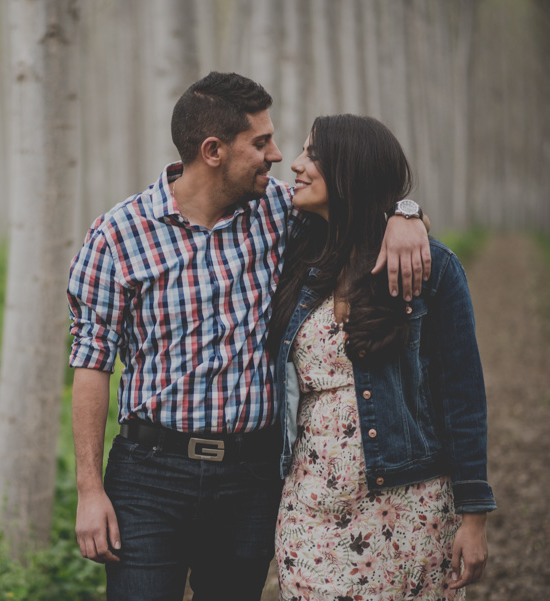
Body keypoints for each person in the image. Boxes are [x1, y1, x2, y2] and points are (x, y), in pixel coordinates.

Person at [67, 72, 430, 601]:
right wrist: (89, 489)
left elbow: (356, 203)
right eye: (260, 143)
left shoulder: (281, 212)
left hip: (251, 478)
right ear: (213, 150)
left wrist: (405, 213)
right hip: (149, 478)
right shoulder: (117, 236)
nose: (277, 155)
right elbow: (91, 364)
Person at [268, 114, 495, 601]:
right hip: (310, 506)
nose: (297, 164)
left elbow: (463, 397)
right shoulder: (295, 256)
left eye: (313, 155)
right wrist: (408, 210)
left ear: (352, 171)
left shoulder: (431, 269)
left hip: (407, 504)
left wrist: (473, 517)